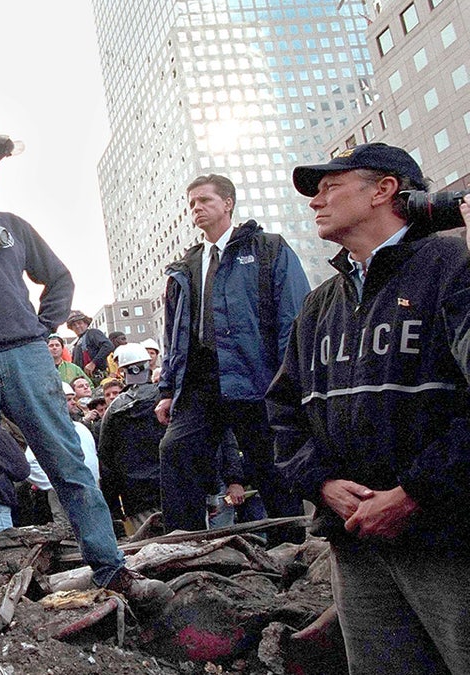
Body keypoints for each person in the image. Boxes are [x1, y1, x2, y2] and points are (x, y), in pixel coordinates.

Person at [0, 113, 170, 625]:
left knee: (69, 464)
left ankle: (111, 568)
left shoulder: (14, 228)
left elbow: (59, 279)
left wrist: (40, 330)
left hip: (25, 357)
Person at [268, 143, 470, 674]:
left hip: (445, 534)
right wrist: (322, 484)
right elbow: (284, 413)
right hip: (355, 545)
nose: (315, 201)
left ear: (384, 190)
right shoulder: (319, 305)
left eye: (331, 185)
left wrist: (414, 493)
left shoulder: (451, 267)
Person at [156, 173, 310, 540]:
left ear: (227, 203)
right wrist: (166, 388)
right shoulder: (186, 266)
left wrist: (291, 378)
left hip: (257, 377)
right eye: (191, 202)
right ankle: (183, 545)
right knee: (176, 450)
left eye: (205, 200)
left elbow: (294, 315)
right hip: (200, 380)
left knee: (270, 464)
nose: (196, 208)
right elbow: (173, 333)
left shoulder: (267, 248)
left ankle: (291, 546)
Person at [97, 344, 165, 530]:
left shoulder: (113, 411)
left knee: (152, 552)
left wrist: (113, 507)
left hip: (136, 497)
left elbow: (106, 461)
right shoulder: (166, 399)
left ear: (122, 371)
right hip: (176, 487)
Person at [65, 309, 113, 385]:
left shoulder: (93, 333)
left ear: (86, 324)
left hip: (97, 378)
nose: (77, 326)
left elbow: (108, 345)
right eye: (74, 325)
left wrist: (93, 363)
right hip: (85, 381)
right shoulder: (77, 344)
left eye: (79, 323)